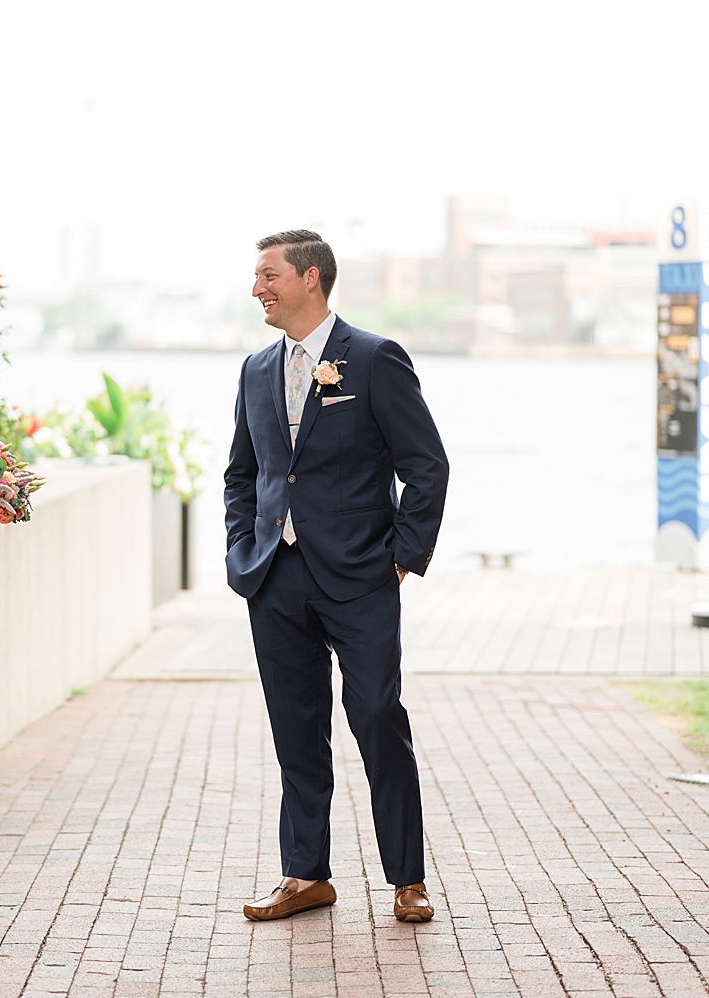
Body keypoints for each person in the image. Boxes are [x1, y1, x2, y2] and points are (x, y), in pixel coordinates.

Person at [224, 231, 449, 924]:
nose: (257, 287)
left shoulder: (376, 359)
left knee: (378, 716)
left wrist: (402, 558)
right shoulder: (256, 370)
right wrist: (243, 550)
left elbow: (427, 466)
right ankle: (305, 875)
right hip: (275, 576)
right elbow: (243, 474)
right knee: (296, 730)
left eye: (269, 275)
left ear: (310, 279)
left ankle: (407, 877)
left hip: (360, 576)